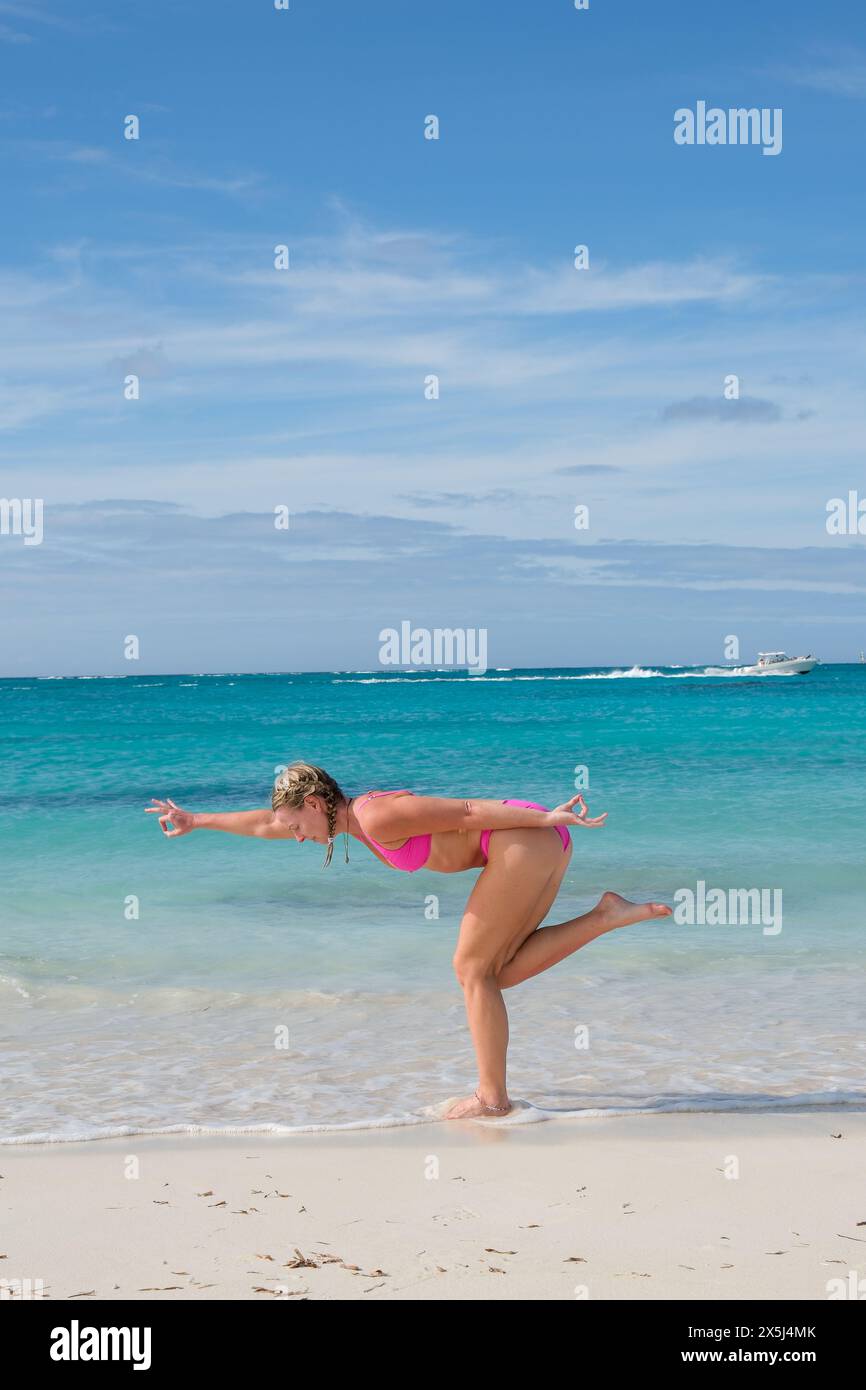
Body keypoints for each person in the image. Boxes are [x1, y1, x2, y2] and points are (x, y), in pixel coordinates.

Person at [147, 761, 670, 1119]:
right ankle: (605, 916)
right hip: (531, 842)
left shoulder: (376, 814)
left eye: (297, 826)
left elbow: (467, 812)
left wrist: (547, 817)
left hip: (523, 835)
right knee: (496, 973)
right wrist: (197, 820)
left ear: (313, 802)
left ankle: (492, 1100)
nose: (296, 837)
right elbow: (265, 824)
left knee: (470, 970)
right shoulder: (344, 822)